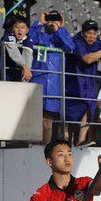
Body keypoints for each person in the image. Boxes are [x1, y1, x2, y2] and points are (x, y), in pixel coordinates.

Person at [65, 21, 101, 146]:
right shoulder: (76, 41)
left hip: (89, 83)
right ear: (83, 33)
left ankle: (81, 140)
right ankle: (65, 142)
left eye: (94, 33)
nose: (92, 36)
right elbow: (87, 59)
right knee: (69, 115)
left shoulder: (97, 44)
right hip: (73, 82)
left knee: (89, 108)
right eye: (89, 33)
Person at [29, 11, 75, 144]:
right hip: (38, 79)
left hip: (54, 84)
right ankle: (33, 146)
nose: (52, 22)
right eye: (50, 19)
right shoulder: (41, 34)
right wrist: (39, 23)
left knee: (48, 121)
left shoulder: (61, 36)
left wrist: (60, 29)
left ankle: (45, 147)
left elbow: (71, 46)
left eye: (55, 19)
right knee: (35, 117)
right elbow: (29, 39)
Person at [1, 18, 34, 82]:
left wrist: (26, 72)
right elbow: (14, 52)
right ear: (12, 28)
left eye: (22, 27)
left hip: (18, 75)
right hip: (5, 74)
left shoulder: (28, 40)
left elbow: (28, 57)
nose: (19, 30)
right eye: (16, 27)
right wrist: (25, 67)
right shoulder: (8, 35)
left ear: (27, 30)